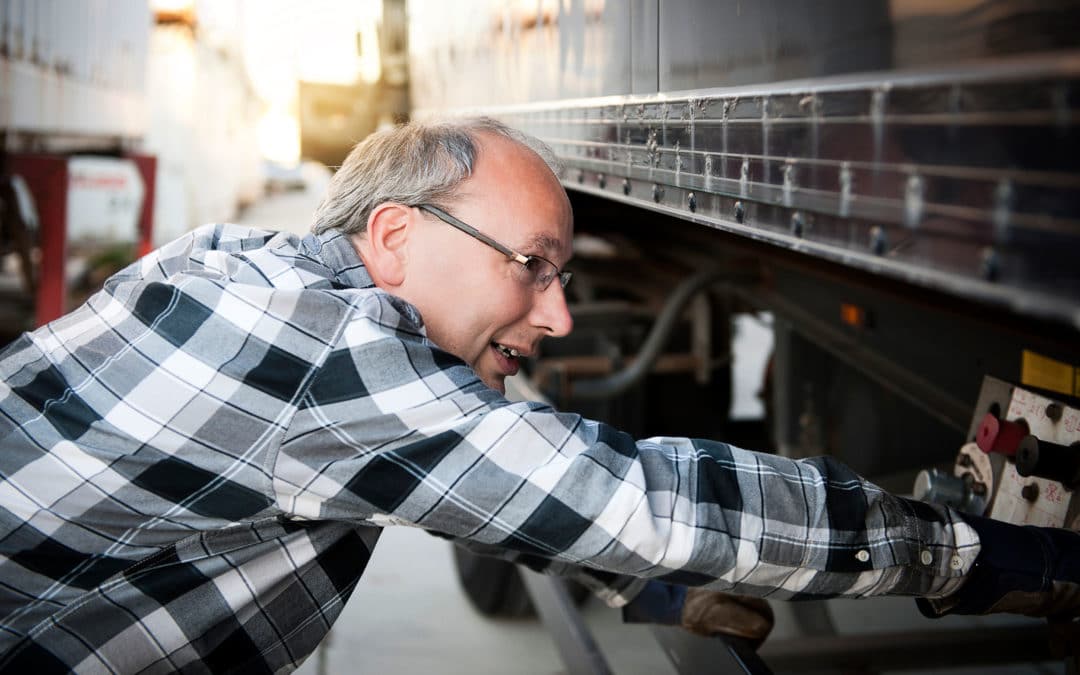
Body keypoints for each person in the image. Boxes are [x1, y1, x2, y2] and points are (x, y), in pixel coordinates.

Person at [0, 117, 1076, 672]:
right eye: (533, 264)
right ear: (395, 236)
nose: (557, 318)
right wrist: (971, 555)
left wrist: (633, 583)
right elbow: (636, 497)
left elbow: (457, 467)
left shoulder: (241, 267)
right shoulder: (325, 356)